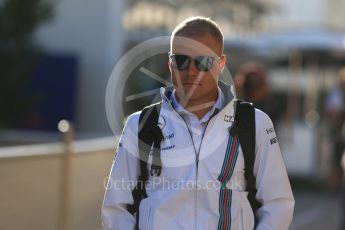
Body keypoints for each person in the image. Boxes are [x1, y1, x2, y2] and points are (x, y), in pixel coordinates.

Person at [102, 16, 294, 230]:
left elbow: (278, 203)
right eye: (181, 60)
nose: (191, 70)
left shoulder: (255, 123)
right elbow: (116, 208)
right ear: (170, 63)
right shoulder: (139, 125)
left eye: (203, 61)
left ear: (221, 63)